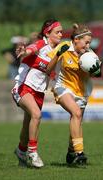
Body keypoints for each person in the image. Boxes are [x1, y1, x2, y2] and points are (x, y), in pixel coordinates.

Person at [11, 19, 66, 168]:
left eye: (61, 31)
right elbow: (32, 48)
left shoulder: (57, 51)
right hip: (23, 87)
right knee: (36, 115)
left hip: (38, 92)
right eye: (57, 32)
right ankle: (33, 152)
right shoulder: (43, 44)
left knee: (27, 124)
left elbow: (49, 70)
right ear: (47, 33)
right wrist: (25, 51)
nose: (61, 34)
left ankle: (21, 151)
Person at [46, 23, 101, 166]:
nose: (88, 45)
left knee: (76, 121)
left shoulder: (90, 55)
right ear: (76, 39)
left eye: (90, 43)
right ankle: (80, 152)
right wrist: (57, 54)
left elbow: (96, 73)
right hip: (62, 87)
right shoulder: (64, 48)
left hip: (82, 92)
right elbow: (47, 69)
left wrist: (97, 72)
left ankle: (71, 152)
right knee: (76, 113)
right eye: (86, 42)